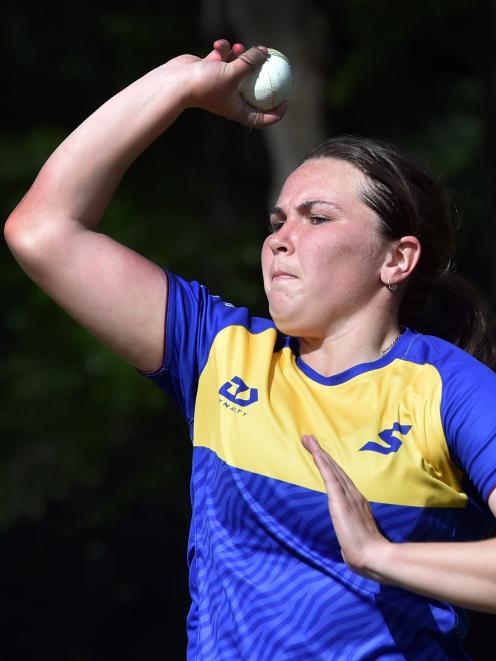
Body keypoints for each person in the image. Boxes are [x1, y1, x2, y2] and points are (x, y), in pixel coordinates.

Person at [5, 38, 496, 660]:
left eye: (316, 218)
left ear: (397, 259)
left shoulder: (450, 388)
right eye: (276, 222)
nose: (281, 241)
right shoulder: (221, 353)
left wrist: (380, 555)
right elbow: (42, 231)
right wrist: (179, 85)